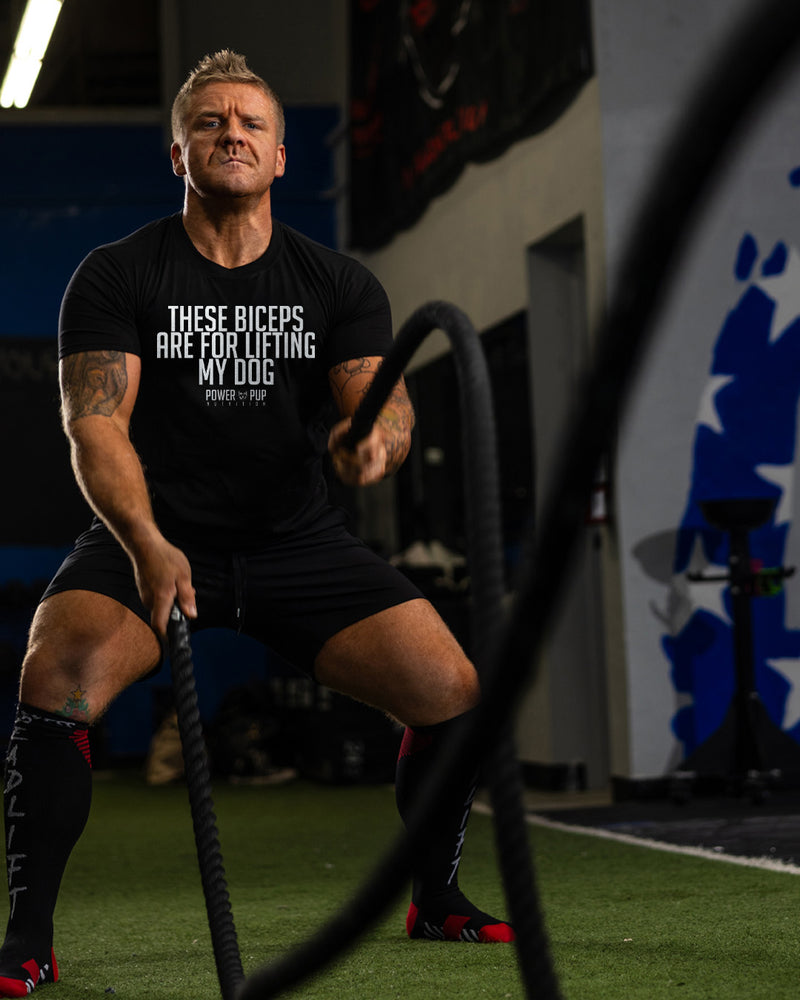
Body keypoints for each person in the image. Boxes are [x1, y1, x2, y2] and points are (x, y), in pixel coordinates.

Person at [0, 50, 513, 997]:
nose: (230, 132)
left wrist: (375, 447)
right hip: (149, 534)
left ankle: (435, 898)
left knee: (449, 687)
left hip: (293, 541)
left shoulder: (337, 283)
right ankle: (27, 938)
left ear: (281, 157)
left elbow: (381, 406)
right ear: (178, 153)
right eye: (209, 122)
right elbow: (95, 426)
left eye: (250, 124)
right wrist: (148, 544)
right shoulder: (118, 275)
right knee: (56, 671)